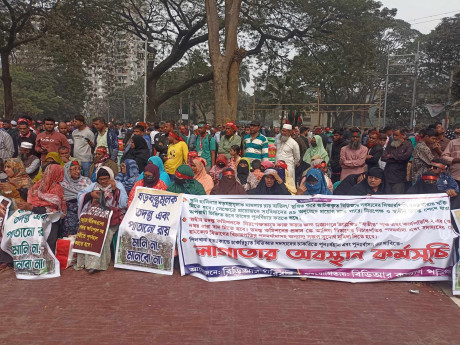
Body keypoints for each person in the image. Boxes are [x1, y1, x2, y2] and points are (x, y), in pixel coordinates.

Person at [76, 167, 127, 272]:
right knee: (86, 230)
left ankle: (97, 264)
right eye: (101, 179)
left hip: (112, 218)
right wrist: (90, 194)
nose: (103, 182)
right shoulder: (94, 186)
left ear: (110, 177)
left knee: (103, 233)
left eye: (106, 179)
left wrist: (115, 189)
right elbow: (80, 195)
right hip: (97, 217)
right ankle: (85, 262)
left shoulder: (118, 184)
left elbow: (123, 204)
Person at [17, 164, 66, 253]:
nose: (42, 175)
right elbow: (31, 198)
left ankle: (47, 259)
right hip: (35, 215)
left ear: (54, 175)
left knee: (48, 235)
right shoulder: (39, 185)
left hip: (50, 219)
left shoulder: (56, 189)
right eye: (43, 173)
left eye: (46, 173)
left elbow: (52, 210)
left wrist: (31, 208)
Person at [60, 160, 91, 237]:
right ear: (67, 170)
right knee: (69, 224)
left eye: (79, 169)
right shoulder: (62, 183)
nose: (77, 171)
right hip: (69, 209)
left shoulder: (86, 181)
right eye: (74, 169)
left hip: (85, 207)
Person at [381, 128, 413, 194]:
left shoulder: (408, 144)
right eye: (394, 135)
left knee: (397, 197)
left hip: (399, 176)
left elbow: (405, 157)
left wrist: (391, 156)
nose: (394, 137)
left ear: (402, 135)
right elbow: (383, 157)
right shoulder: (390, 143)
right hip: (387, 174)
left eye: (397, 135)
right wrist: (397, 158)